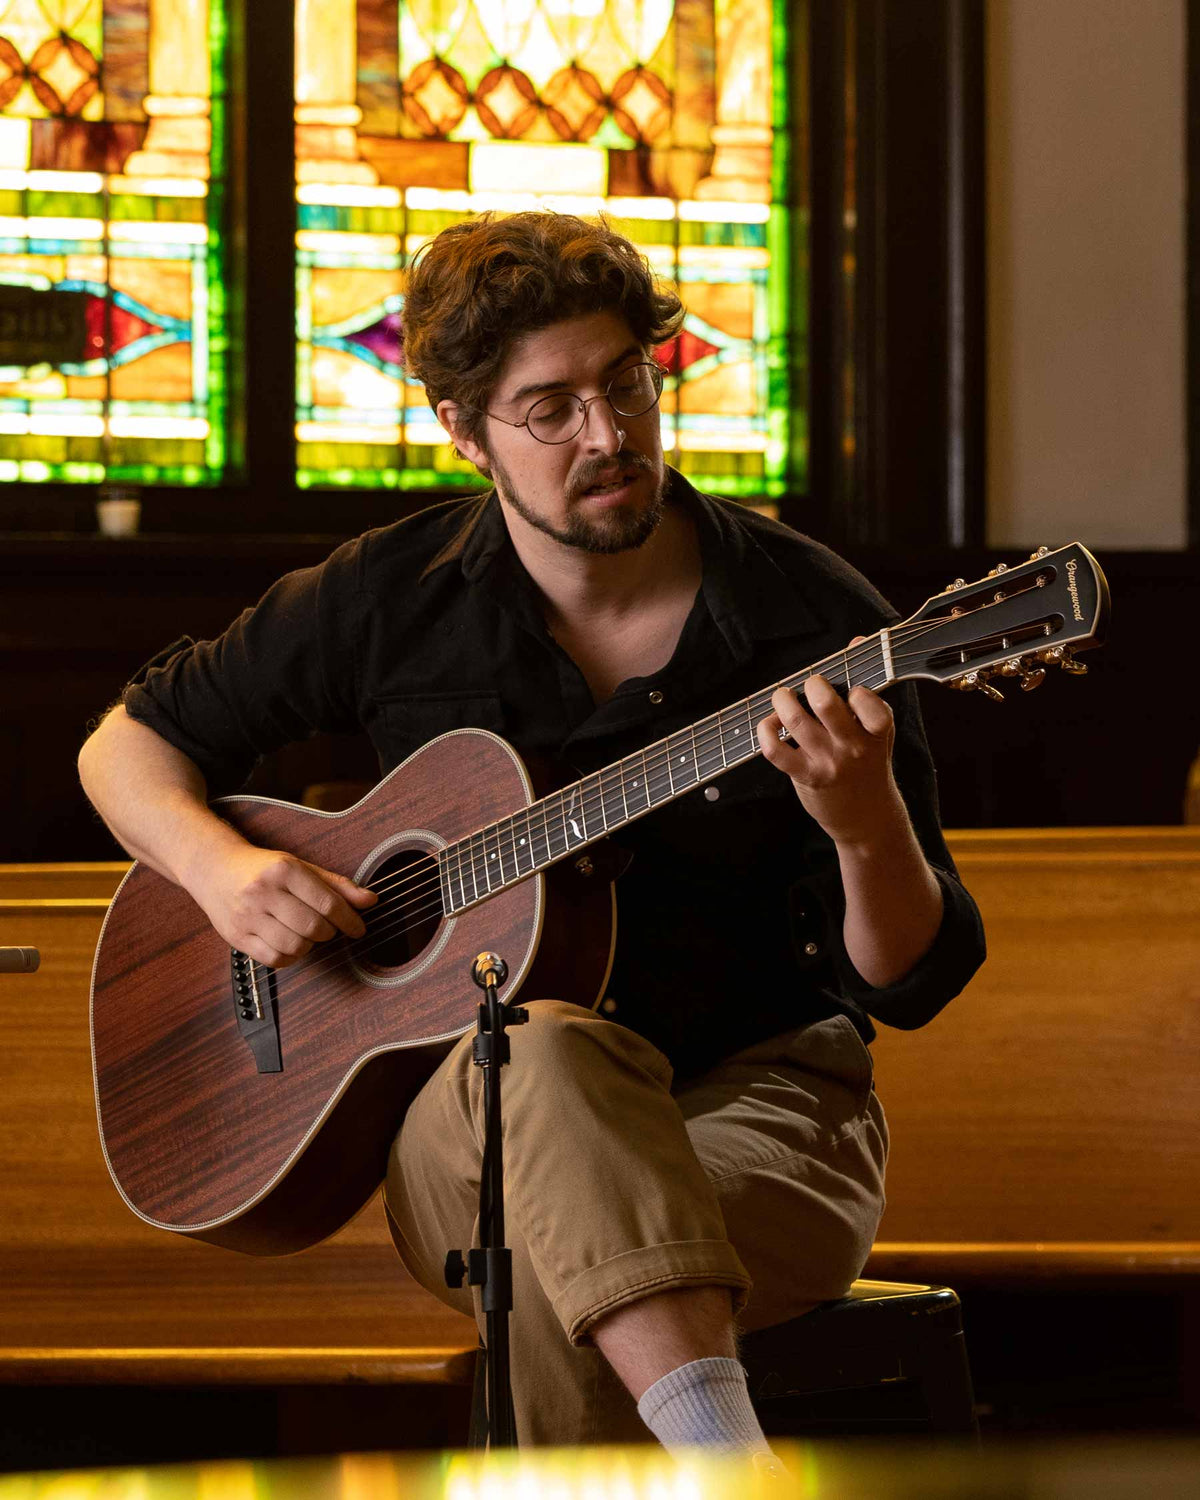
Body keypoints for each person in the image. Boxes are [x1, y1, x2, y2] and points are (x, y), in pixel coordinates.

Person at [78, 212, 985, 1454]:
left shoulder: (812, 622)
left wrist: (862, 818)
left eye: (627, 386)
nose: (608, 436)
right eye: (550, 409)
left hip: (770, 1117)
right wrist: (224, 872)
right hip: (466, 1129)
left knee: (575, 1259)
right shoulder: (393, 597)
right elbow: (124, 745)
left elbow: (911, 981)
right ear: (465, 431)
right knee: (541, 1054)